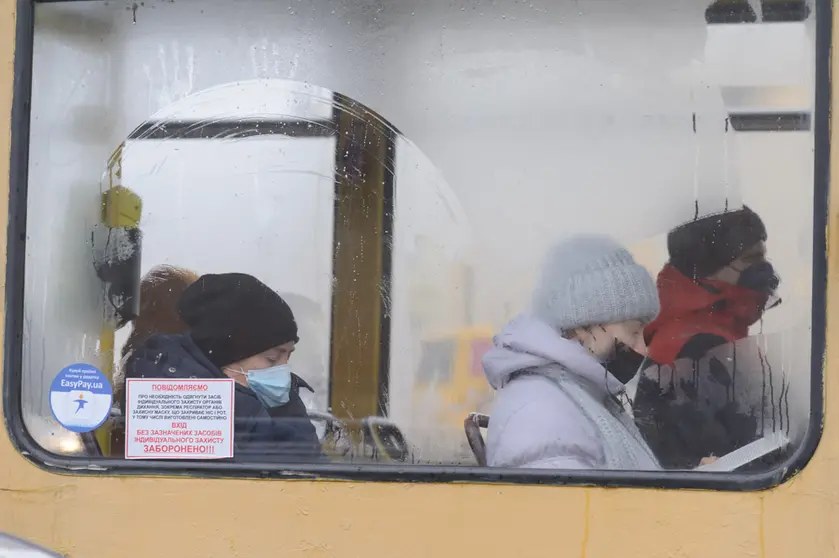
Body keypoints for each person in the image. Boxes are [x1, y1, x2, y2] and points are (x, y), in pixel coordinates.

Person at [482, 235, 661, 470]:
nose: (643, 349)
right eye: (634, 331)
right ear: (582, 326)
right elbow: (562, 506)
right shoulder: (542, 415)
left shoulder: (581, 396)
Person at [632, 206, 784, 469]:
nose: (764, 270)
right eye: (751, 260)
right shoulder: (698, 347)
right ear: (709, 269)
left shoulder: (707, 330)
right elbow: (733, 450)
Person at [124, 272, 323, 462]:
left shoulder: (274, 400)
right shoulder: (181, 405)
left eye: (288, 356)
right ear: (225, 355)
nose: (283, 372)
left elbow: (311, 468)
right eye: (272, 359)